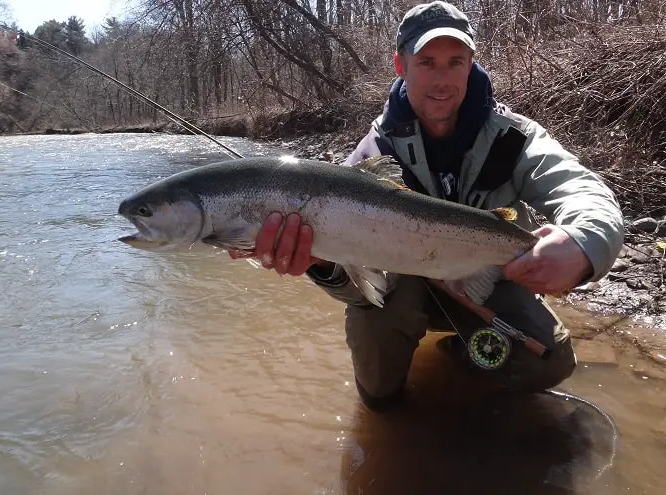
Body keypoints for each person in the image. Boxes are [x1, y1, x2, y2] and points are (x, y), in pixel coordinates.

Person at [229, 1, 624, 411]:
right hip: (400, 290)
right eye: (427, 62)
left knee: (550, 361)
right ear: (400, 66)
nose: (442, 78)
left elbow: (585, 191)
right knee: (379, 395)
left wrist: (581, 242)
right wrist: (320, 265)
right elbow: (357, 282)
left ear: (471, 64)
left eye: (455, 62)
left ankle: (456, 357)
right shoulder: (373, 153)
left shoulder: (515, 138)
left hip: (485, 282)